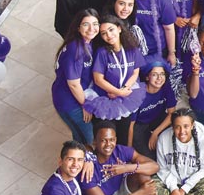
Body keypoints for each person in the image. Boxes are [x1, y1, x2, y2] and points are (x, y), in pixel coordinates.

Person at [85, 16, 146, 144]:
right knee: (105, 138)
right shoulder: (102, 52)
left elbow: (136, 72)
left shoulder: (132, 49)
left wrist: (124, 89)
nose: (108, 35)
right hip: (104, 100)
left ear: (119, 28)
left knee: (123, 135)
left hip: (125, 98)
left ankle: (121, 162)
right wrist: (117, 92)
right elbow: (98, 79)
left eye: (111, 30)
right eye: (103, 33)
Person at [153, 108, 204, 195]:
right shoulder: (164, 138)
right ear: (172, 126)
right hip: (172, 177)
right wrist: (174, 189)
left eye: (186, 126)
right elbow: (162, 168)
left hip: (198, 176)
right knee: (149, 191)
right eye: (177, 127)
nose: (182, 132)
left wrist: (184, 189)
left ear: (193, 125)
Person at [52, 9, 100, 144]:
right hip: (71, 102)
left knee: (79, 137)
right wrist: (86, 105)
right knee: (91, 140)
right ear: (78, 27)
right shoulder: (77, 49)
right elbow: (73, 84)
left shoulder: (84, 43)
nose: (92, 28)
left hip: (64, 98)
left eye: (95, 24)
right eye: (86, 24)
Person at [129, 0, 176, 68]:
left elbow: (169, 29)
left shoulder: (163, 0)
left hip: (156, 51)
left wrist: (171, 53)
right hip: (130, 50)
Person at [131, 60, 176, 158]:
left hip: (157, 119)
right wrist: (128, 151)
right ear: (147, 77)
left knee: (177, 125)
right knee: (150, 156)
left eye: (162, 74)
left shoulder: (166, 87)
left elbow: (172, 113)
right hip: (139, 125)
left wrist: (156, 132)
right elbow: (131, 125)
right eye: (155, 74)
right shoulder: (139, 93)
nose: (159, 78)